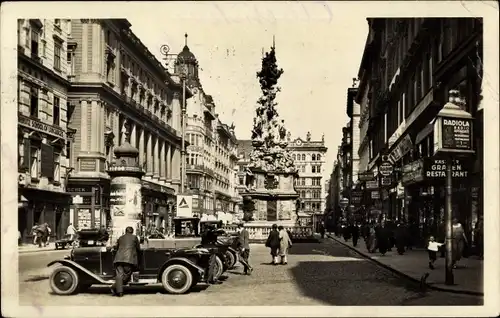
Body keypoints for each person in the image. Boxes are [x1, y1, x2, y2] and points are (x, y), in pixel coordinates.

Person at [110, 226, 141, 297]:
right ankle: (114, 287)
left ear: (125, 231)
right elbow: (138, 248)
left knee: (119, 275)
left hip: (118, 258)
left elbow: (117, 247)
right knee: (127, 274)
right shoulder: (134, 237)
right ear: (132, 231)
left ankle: (119, 291)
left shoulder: (120, 238)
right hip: (129, 259)